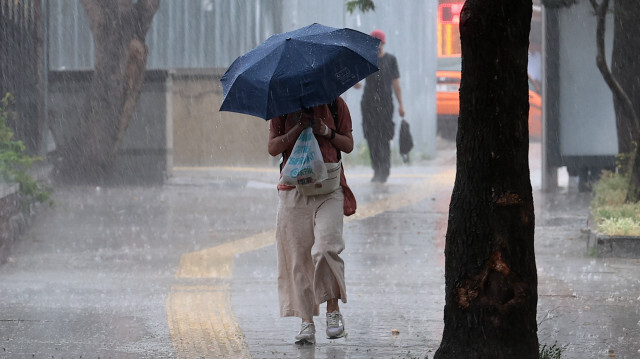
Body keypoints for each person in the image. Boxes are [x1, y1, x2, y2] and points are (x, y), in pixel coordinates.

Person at [267, 97, 356, 344]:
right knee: (298, 258)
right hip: (293, 189)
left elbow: (348, 144)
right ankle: (306, 322)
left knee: (327, 248)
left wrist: (324, 130)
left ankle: (333, 311)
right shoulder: (282, 107)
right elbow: (273, 147)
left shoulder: (336, 105)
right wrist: (297, 128)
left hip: (329, 187)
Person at [354, 29, 405, 183]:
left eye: (379, 42)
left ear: (383, 43)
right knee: (371, 137)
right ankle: (377, 169)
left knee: (384, 137)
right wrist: (355, 83)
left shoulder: (391, 60)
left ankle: (384, 169)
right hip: (368, 105)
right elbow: (356, 80)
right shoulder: (366, 60)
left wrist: (401, 105)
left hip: (385, 105)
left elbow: (396, 84)